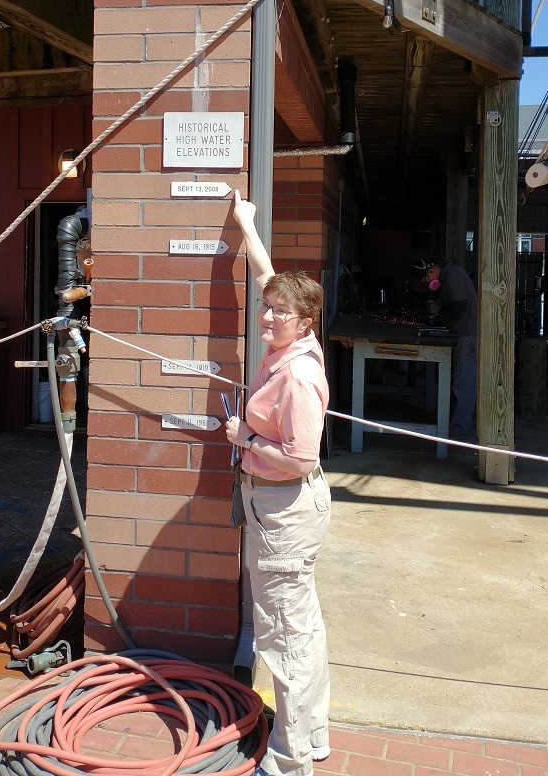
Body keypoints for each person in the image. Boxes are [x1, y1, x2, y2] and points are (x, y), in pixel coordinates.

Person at [227, 190, 331, 776]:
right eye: (266, 309)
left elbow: (300, 460)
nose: (267, 318)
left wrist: (244, 438)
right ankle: (312, 736)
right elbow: (268, 274)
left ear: (304, 323)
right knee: (302, 627)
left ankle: (291, 761)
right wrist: (246, 223)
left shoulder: (297, 378)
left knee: (286, 638)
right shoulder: (291, 338)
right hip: (278, 507)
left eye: (279, 314)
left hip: (284, 508)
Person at [415, 257, 477, 440]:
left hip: (467, 336)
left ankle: (460, 429)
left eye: (426, 279)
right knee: (460, 382)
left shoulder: (453, 277)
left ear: (431, 271)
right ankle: (456, 423)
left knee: (463, 384)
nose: (427, 283)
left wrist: (439, 310)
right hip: (462, 334)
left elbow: (459, 309)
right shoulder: (449, 276)